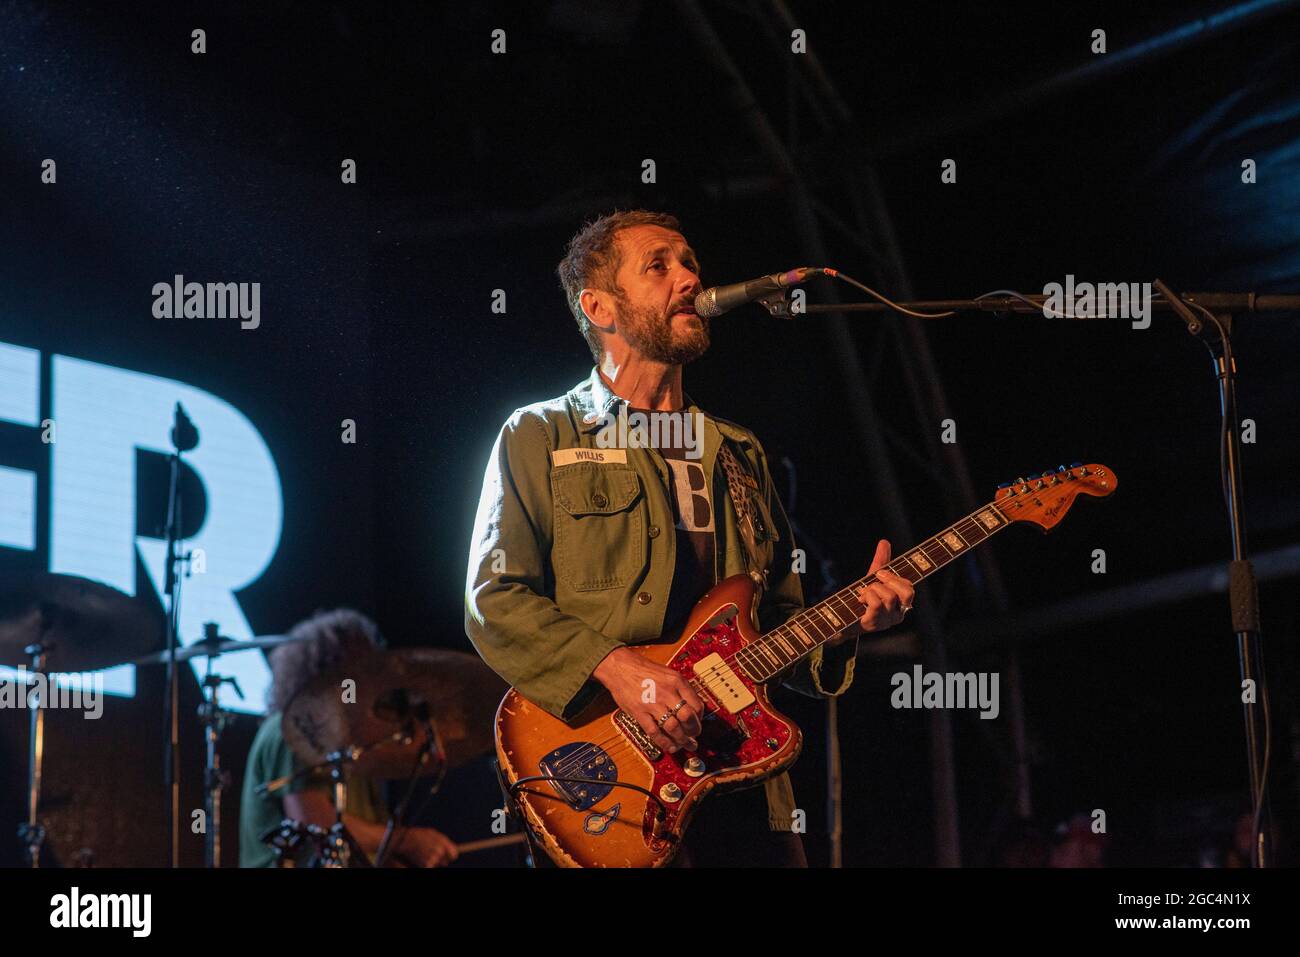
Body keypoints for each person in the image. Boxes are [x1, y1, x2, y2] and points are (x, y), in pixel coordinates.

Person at [465, 209, 915, 866]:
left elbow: (779, 624)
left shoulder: (738, 450)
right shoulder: (540, 435)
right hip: (611, 780)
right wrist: (620, 671)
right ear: (600, 307)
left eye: (690, 261)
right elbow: (493, 599)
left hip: (744, 786)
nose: (689, 276)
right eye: (660, 264)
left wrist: (846, 624)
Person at [238, 608, 458, 868]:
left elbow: (371, 848)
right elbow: (314, 823)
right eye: (359, 669)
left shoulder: (352, 747)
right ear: (326, 671)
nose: (370, 681)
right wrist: (408, 840)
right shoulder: (291, 729)